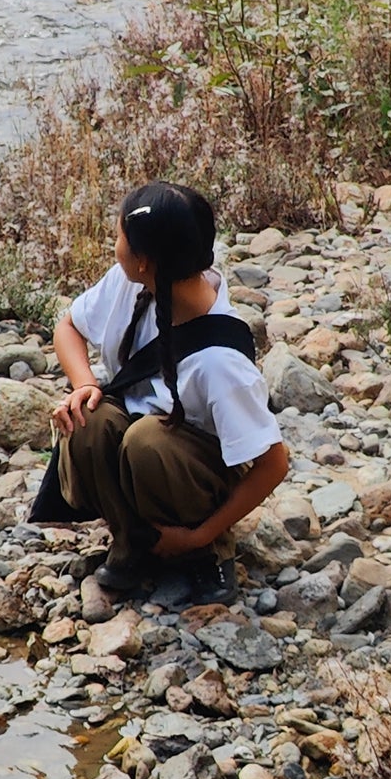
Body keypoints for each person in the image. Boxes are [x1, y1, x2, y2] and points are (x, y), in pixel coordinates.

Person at [50, 180, 289, 609]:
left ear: (144, 262)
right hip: (140, 447)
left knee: (148, 441)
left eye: (119, 236)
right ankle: (133, 542)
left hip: (192, 470)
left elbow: (273, 463)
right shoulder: (133, 282)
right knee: (91, 418)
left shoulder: (220, 364)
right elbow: (68, 327)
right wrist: (84, 384)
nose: (115, 245)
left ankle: (207, 554)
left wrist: (202, 533)